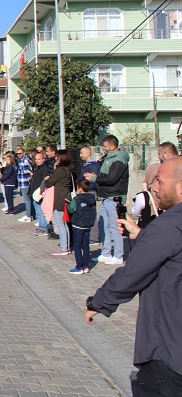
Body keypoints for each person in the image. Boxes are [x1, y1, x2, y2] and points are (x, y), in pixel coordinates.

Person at [84, 157, 182, 395]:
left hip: (168, 351)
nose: (153, 187)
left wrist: (98, 302)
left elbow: (134, 272)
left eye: (159, 181)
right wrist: (141, 234)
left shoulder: (169, 226)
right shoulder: (166, 229)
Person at [86, 134, 129, 266]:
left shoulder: (119, 160)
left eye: (105, 146)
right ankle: (106, 253)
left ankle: (118, 255)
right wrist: (97, 176)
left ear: (112, 146)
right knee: (103, 225)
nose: (103, 149)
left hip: (114, 197)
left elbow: (112, 179)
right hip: (106, 197)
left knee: (113, 226)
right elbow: (105, 175)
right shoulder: (107, 158)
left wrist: (94, 179)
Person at [45, 149, 74, 256]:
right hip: (65, 198)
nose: (56, 159)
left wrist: (48, 179)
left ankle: (63, 247)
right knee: (64, 223)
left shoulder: (61, 170)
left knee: (61, 224)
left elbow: (49, 182)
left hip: (60, 199)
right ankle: (66, 245)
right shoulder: (68, 169)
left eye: (57, 157)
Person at [68, 179, 96, 274]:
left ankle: (79, 267)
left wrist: (68, 205)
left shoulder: (77, 199)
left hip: (78, 225)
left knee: (77, 246)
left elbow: (71, 209)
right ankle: (86, 266)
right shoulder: (92, 197)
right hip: (88, 224)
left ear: (80, 188)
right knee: (86, 245)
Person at [80, 146, 102, 244]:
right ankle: (91, 236)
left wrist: (96, 192)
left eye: (82, 153)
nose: (80, 155)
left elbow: (95, 180)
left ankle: (94, 238)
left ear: (88, 153)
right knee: (88, 214)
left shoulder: (93, 165)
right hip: (86, 191)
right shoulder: (87, 165)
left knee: (92, 215)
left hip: (91, 191)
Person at [28, 152, 52, 236]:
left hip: (39, 193)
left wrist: (41, 192)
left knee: (41, 211)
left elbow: (44, 181)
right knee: (38, 211)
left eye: (39, 159)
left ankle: (44, 228)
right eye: (36, 159)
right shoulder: (37, 168)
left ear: (43, 159)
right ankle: (41, 226)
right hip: (34, 192)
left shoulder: (44, 168)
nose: (37, 161)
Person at [16, 146, 34, 223]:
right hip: (22, 182)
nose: (19, 155)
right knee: (27, 199)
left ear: (24, 153)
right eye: (18, 154)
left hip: (26, 183)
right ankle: (30, 214)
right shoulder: (21, 161)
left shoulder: (26, 161)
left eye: (20, 153)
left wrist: (29, 182)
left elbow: (28, 172)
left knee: (27, 199)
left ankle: (28, 215)